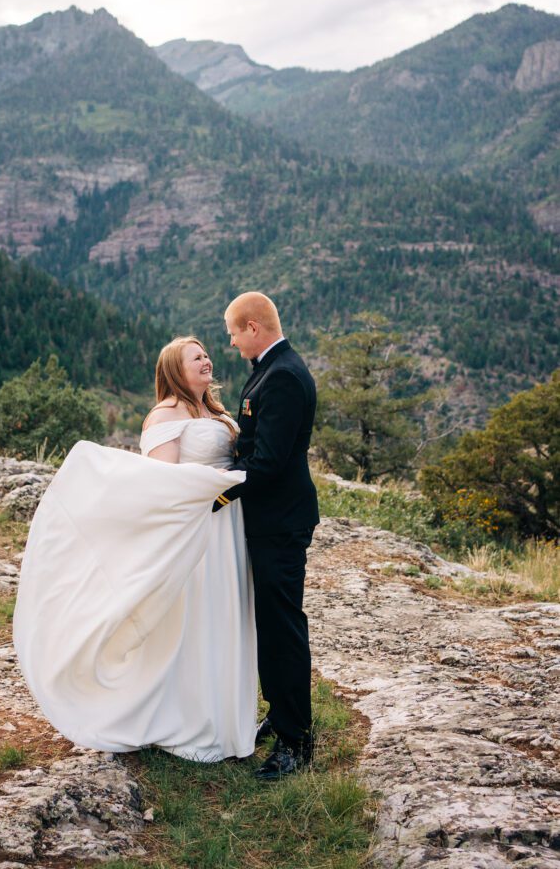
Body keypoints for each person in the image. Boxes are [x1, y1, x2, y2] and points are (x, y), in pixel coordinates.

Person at [13, 336, 257, 762]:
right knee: (196, 620)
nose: (206, 360)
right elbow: (159, 483)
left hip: (228, 526)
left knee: (225, 614)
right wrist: (216, 484)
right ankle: (188, 717)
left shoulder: (215, 411)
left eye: (205, 354)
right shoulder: (165, 414)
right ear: (175, 371)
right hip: (197, 529)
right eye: (195, 357)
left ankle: (224, 716)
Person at [213, 292, 319, 780]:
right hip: (270, 521)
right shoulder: (271, 370)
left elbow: (269, 463)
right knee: (272, 627)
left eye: (234, 333)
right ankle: (280, 718)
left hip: (279, 523)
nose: (231, 343)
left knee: (283, 630)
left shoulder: (284, 378)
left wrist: (216, 494)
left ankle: (296, 741)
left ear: (253, 327)